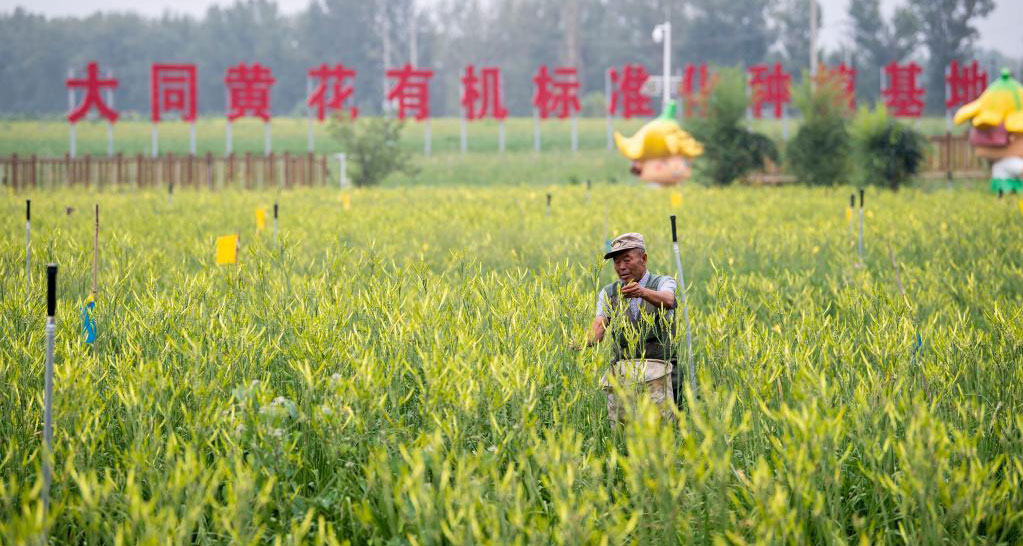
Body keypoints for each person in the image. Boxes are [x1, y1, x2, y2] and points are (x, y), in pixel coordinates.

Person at [586, 232, 683, 402]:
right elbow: (599, 327)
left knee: (665, 426)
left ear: (643, 259)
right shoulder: (609, 293)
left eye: (627, 259)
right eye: (616, 261)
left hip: (663, 375)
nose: (621, 266)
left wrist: (642, 292)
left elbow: (669, 300)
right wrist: (582, 342)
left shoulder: (662, 283)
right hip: (625, 378)